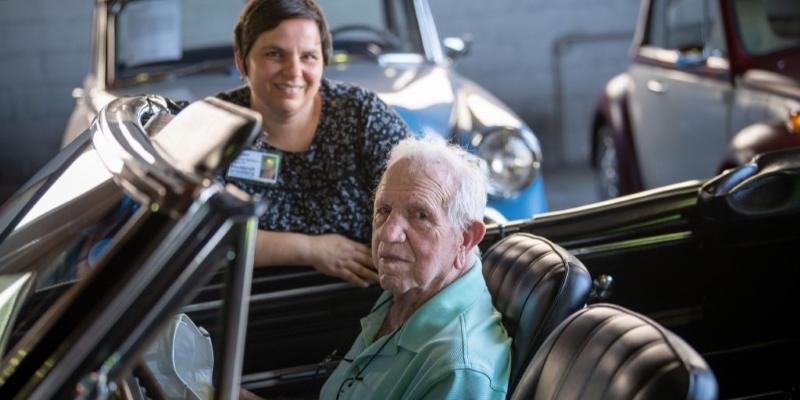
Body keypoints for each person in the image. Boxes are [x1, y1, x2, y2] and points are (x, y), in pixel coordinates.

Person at [219, 0, 412, 288]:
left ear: (324, 61)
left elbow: (422, 210)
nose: (293, 70)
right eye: (275, 54)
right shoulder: (214, 124)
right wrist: (311, 249)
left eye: (308, 56)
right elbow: (186, 238)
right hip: (243, 316)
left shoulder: (362, 116)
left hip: (365, 307)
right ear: (241, 60)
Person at [317, 135, 511, 399]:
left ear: (465, 238)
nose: (388, 234)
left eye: (420, 215)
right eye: (384, 210)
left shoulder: (459, 369)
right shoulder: (407, 293)